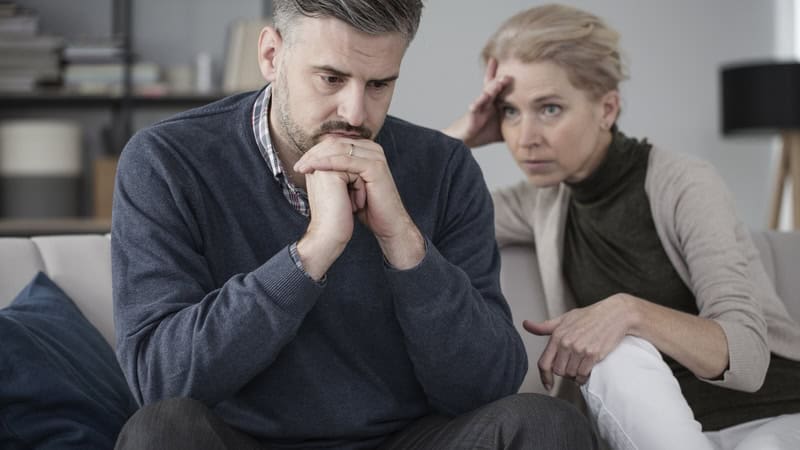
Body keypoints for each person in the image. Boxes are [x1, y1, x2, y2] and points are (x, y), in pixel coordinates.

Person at [110, 0, 598, 449]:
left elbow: (487, 385)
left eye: (380, 84)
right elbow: (161, 380)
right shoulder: (167, 161)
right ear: (271, 55)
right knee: (160, 432)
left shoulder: (445, 168)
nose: (355, 113)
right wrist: (313, 252)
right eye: (330, 78)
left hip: (406, 439)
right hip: (243, 440)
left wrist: (403, 242)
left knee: (548, 424)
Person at [443, 3, 800, 450]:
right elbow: (419, 218)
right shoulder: (540, 203)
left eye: (549, 108)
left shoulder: (682, 181)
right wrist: (457, 139)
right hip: (660, 437)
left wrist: (631, 312)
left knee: (617, 334)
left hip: (773, 417)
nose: (524, 136)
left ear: (607, 108)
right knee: (616, 355)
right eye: (511, 112)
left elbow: (747, 356)